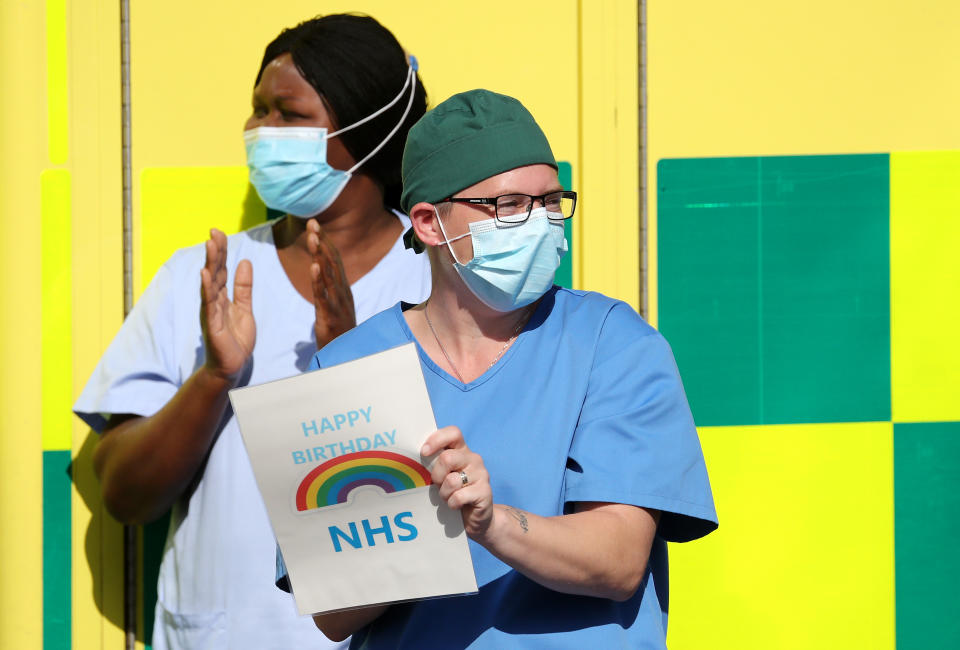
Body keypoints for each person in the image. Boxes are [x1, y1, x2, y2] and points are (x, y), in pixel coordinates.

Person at [295, 89, 718, 649]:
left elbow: (618, 561)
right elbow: (333, 613)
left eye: (550, 202)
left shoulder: (611, 343)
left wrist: (489, 523)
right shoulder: (350, 367)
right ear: (428, 223)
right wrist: (412, 521)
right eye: (510, 205)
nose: (540, 222)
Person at [73, 14, 430, 650]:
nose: (259, 132)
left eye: (287, 115)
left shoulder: (438, 282)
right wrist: (214, 378)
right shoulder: (201, 277)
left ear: (367, 131)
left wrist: (345, 363)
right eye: (256, 110)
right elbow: (124, 494)